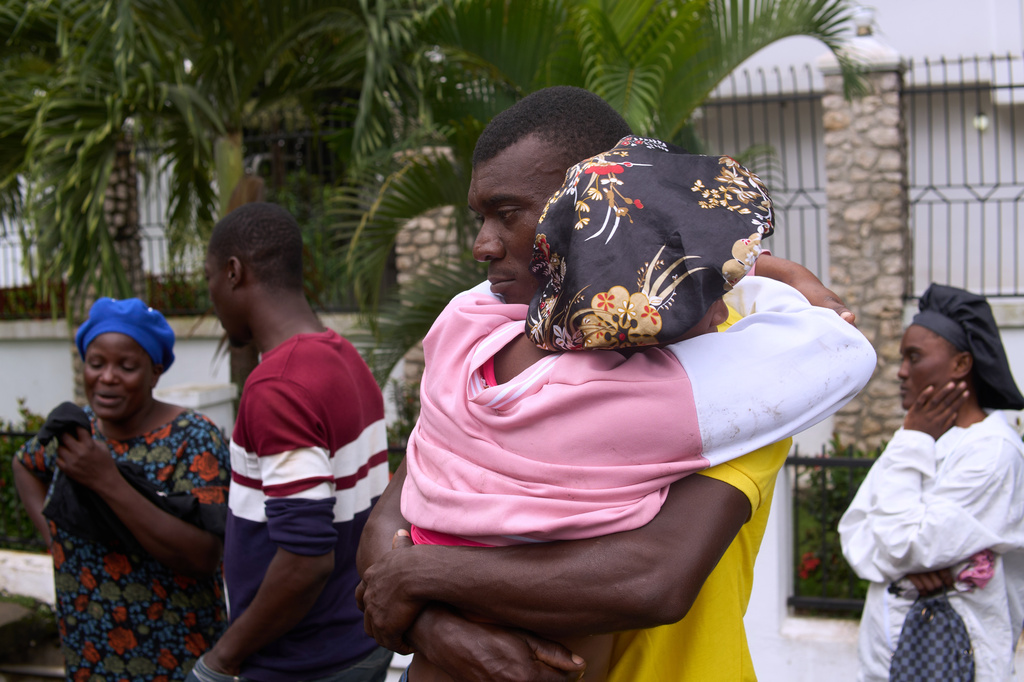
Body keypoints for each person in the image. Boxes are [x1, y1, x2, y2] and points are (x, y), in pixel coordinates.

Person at [356, 86, 872, 682]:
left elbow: (652, 576)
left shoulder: (738, 371)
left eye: (508, 212)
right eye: (481, 217)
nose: (482, 245)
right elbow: (385, 526)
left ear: (598, 208)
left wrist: (422, 582)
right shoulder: (494, 341)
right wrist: (442, 634)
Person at [189, 202, 392, 682]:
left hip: (304, 662)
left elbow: (306, 559)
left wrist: (221, 659)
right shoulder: (344, 358)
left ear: (234, 272)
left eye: (209, 278)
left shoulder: (278, 386)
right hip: (359, 642)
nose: (210, 295)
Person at [12, 297, 231, 682]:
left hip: (174, 652)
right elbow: (25, 464)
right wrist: (53, 537)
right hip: (90, 646)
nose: (107, 377)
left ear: (155, 372)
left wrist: (106, 479)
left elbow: (203, 557)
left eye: (127, 367)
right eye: (96, 364)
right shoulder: (78, 433)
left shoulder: (194, 438)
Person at [839, 283, 1024, 682]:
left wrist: (902, 558)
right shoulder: (915, 437)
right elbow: (854, 536)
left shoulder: (992, 451)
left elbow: (906, 545)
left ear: (961, 365)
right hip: (885, 661)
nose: (902, 371)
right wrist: (905, 565)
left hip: (961, 665)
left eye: (915, 357)